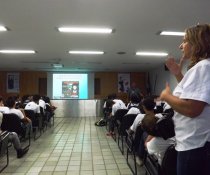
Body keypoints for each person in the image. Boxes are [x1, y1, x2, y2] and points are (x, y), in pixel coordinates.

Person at [160, 24, 210, 175]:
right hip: (193, 144)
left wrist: (166, 96)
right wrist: (177, 73)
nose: (181, 46)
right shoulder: (202, 67)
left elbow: (192, 108)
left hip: (195, 145)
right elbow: (192, 95)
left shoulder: (202, 67)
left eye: (185, 41)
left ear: (197, 43)